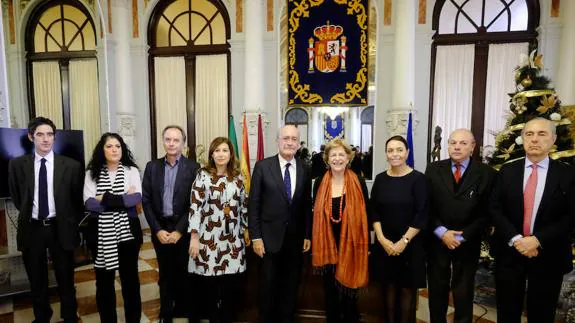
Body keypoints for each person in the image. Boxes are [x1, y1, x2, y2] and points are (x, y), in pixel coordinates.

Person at [491, 118, 575, 323]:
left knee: (542, 313)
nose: (534, 139)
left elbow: (571, 216)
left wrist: (537, 240)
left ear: (553, 139)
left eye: (542, 134)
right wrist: (517, 238)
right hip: (510, 253)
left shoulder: (568, 174)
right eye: (529, 134)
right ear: (522, 139)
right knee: (507, 312)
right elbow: (494, 208)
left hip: (549, 254)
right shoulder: (507, 171)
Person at [8, 117, 82, 323]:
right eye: (40, 134)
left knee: (66, 278)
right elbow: (17, 196)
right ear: (31, 137)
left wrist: (69, 221)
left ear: (55, 137)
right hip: (32, 229)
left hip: (61, 228)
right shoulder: (17, 165)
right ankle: (42, 317)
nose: (45, 139)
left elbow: (77, 201)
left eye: (50, 134)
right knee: (37, 279)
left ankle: (69, 316)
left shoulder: (72, 166)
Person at [425, 129, 495, 323]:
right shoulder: (433, 169)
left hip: (468, 241)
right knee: (437, 288)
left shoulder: (487, 173)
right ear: (447, 145)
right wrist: (442, 233)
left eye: (463, 143)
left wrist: (461, 236)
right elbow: (426, 207)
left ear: (473, 147)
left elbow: (487, 212)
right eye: (453, 142)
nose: (457, 146)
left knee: (463, 290)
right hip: (438, 240)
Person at [248, 125, 313, 323]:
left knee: (290, 289)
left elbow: (305, 205)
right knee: (267, 289)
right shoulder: (262, 166)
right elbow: (254, 204)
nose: (290, 142)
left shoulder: (305, 168)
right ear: (277, 141)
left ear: (299, 143)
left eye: (294, 139)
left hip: (294, 242)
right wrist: (256, 236)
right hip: (268, 241)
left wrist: (307, 235)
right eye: (286, 138)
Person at [142, 125, 200, 322]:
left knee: (186, 273)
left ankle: (189, 312)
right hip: (160, 229)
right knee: (165, 274)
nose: (172, 143)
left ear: (183, 143)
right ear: (163, 141)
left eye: (176, 140)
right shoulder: (152, 167)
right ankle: (166, 313)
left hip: (182, 229)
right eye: (168, 139)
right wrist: (157, 230)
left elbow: (195, 203)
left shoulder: (193, 168)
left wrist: (179, 231)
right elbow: (146, 201)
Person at [83, 133, 143, 323]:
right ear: (102, 150)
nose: (114, 150)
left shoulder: (131, 170)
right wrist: (122, 199)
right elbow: (89, 204)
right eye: (109, 146)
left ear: (122, 149)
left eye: (117, 146)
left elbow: (136, 199)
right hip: (101, 235)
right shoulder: (91, 173)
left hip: (128, 234)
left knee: (130, 282)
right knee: (104, 284)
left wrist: (104, 197)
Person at [188, 137, 248, 323]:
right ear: (212, 154)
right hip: (208, 239)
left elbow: (243, 206)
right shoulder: (203, 175)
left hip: (233, 240)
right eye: (217, 151)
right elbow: (195, 207)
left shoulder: (238, 177)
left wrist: (246, 230)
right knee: (211, 290)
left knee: (230, 289)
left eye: (225, 150)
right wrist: (194, 237)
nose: (221, 154)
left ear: (231, 155)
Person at [370, 135, 428, 323]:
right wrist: (381, 238)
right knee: (387, 292)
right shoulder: (380, 179)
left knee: (406, 294)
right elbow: (374, 212)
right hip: (385, 245)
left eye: (399, 150)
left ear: (407, 152)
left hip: (409, 246)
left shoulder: (418, 179)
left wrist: (403, 242)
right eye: (390, 150)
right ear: (386, 154)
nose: (395, 154)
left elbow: (422, 214)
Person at [312, 139, 369, 323]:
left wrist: (366, 243)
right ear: (327, 159)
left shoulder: (358, 181)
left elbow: (366, 214)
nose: (337, 158)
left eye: (341, 155)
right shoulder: (320, 181)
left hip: (351, 245)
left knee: (350, 296)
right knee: (330, 293)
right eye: (333, 155)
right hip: (327, 245)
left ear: (348, 158)